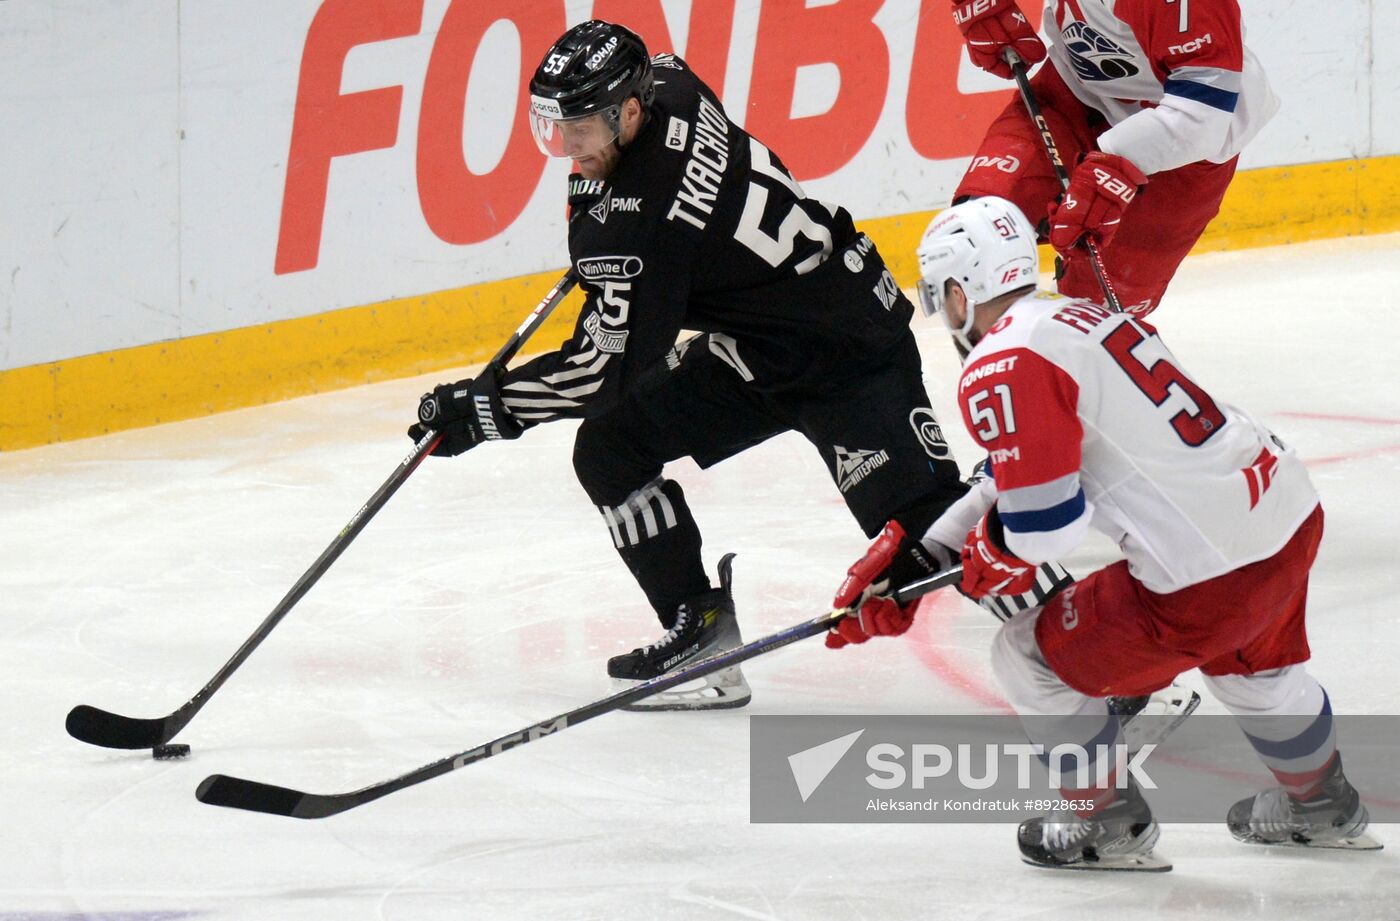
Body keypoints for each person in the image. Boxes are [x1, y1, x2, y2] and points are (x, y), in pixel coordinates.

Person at [407, 21, 968, 710]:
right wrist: (604, 230)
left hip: (847, 354)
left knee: (937, 539)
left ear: (629, 111)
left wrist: (486, 408)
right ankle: (703, 632)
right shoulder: (672, 80)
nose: (566, 147)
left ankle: (1081, 633)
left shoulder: (640, 227)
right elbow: (648, 224)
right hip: (756, 349)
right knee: (612, 448)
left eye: (579, 128)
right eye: (557, 127)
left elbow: (597, 370)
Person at [827, 196, 1377, 869]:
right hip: (1284, 514)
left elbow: (1047, 529)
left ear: (958, 293)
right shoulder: (1077, 317)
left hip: (1211, 572)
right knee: (1252, 665)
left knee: (1026, 656)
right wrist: (926, 553)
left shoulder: (1001, 361)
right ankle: (1322, 801)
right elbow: (1019, 475)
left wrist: (991, 554)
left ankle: (1105, 820)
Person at [948, 0, 1278, 316]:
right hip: (1072, 94)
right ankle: (994, 372)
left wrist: (1113, 166)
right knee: (972, 238)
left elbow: (1202, 116)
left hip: (1182, 150)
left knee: (1089, 317)